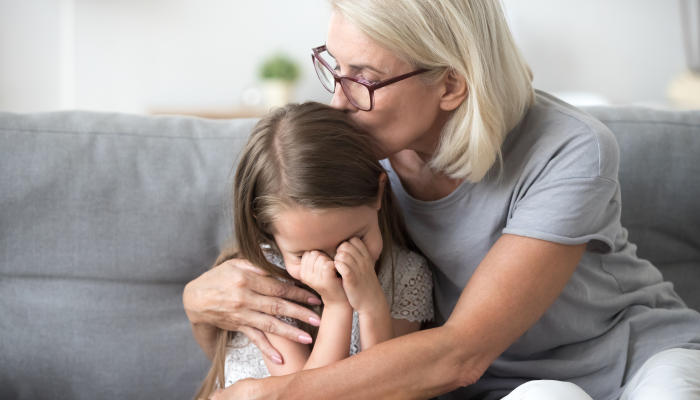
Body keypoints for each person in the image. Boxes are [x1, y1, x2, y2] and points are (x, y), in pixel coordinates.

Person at [184, 0, 700, 399]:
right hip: (505, 389)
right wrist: (197, 302)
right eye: (334, 67)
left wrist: (271, 395)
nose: (339, 101)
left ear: (451, 84)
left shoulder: (570, 149)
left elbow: (462, 353)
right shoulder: (354, 159)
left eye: (363, 77)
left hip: (636, 355)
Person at [193, 102, 433, 400]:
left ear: (378, 193)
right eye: (304, 254)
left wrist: (372, 306)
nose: (334, 265)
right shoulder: (261, 283)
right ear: (267, 227)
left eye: (354, 239)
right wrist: (337, 306)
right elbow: (304, 393)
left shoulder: (406, 275)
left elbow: (383, 390)